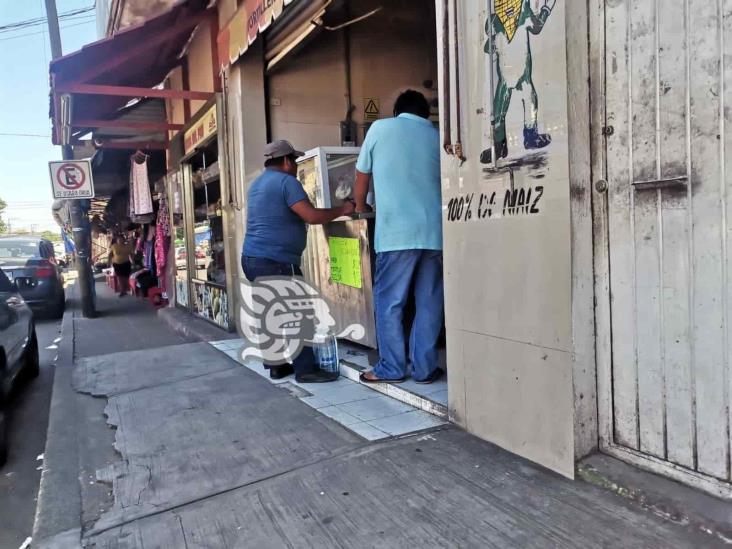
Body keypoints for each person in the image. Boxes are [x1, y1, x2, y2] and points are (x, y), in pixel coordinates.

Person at [242, 140, 355, 382]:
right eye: (294, 161)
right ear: (285, 161)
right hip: (277, 260)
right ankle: (306, 370)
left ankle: (276, 366)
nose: (295, 166)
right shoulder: (287, 182)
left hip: (252, 258)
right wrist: (344, 209)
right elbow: (312, 216)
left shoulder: (257, 184)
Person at [353, 90, 444, 384]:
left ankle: (392, 368)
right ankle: (424, 368)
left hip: (396, 234)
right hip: (435, 234)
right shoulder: (436, 136)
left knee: (391, 302)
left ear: (397, 111)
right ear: (425, 114)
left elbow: (361, 177)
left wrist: (361, 205)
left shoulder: (381, 128)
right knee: (429, 302)